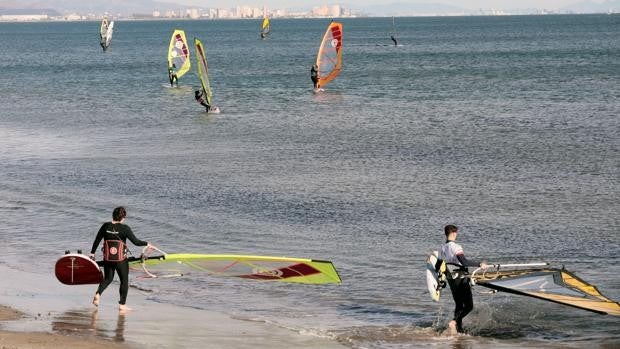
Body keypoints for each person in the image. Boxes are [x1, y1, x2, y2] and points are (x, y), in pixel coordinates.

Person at [90, 206, 150, 312]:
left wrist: (92, 253)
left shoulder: (105, 226)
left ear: (113, 215)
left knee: (108, 279)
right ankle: (122, 305)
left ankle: (98, 294)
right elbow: (136, 242)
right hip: (120, 260)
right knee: (124, 281)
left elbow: (97, 240)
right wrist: (147, 243)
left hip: (108, 259)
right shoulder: (125, 228)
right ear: (123, 217)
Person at [439, 224, 488, 334]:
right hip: (460, 277)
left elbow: (439, 265)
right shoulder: (456, 247)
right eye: (456, 233)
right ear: (453, 233)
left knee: (459, 304)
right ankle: (454, 322)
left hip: (450, 278)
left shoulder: (442, 248)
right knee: (469, 306)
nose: (456, 235)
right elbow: (464, 262)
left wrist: (440, 280)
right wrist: (480, 264)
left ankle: (459, 330)